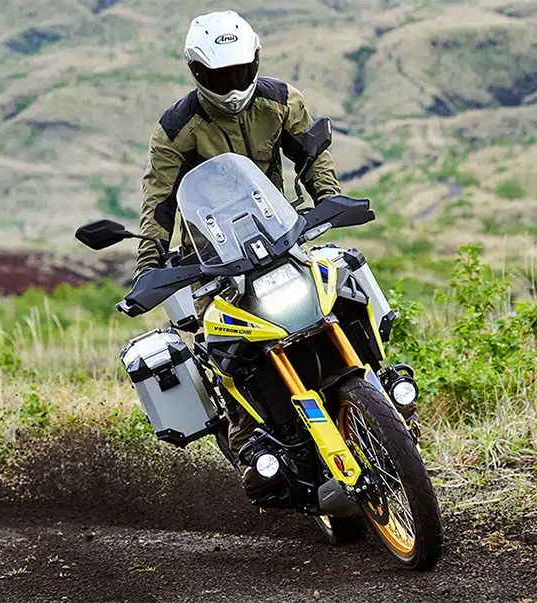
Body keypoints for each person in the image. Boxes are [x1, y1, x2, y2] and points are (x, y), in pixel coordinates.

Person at [134, 10, 342, 487]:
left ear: (255, 61)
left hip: (279, 233)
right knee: (225, 347)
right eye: (219, 75)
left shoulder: (281, 101)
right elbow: (158, 200)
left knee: (340, 285)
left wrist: (328, 199)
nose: (231, 85)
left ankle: (378, 388)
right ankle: (251, 448)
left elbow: (311, 153)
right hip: (211, 256)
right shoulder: (177, 127)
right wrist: (149, 264)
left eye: (240, 71)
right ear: (197, 71)